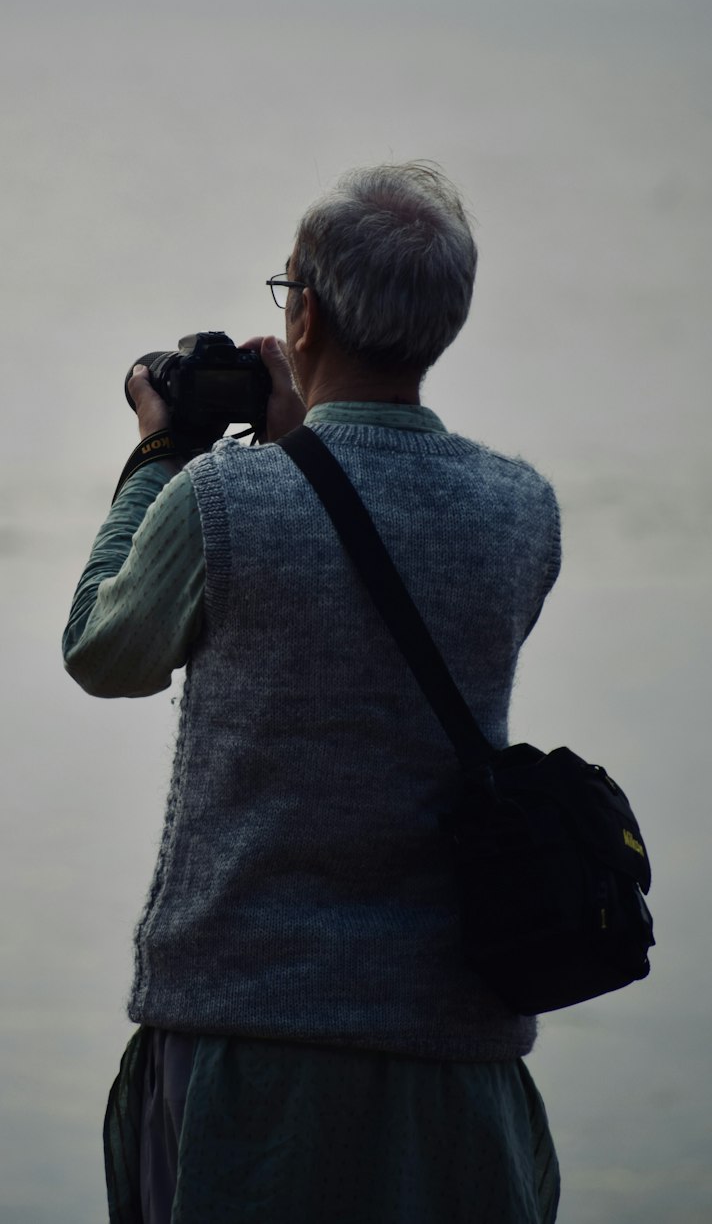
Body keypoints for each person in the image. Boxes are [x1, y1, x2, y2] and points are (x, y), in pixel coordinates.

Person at [63, 162, 562, 1223]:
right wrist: (303, 447)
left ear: (306, 314)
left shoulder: (224, 498)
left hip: (251, 1045)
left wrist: (159, 453)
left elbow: (103, 652)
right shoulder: (522, 512)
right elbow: (372, 613)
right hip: (456, 1051)